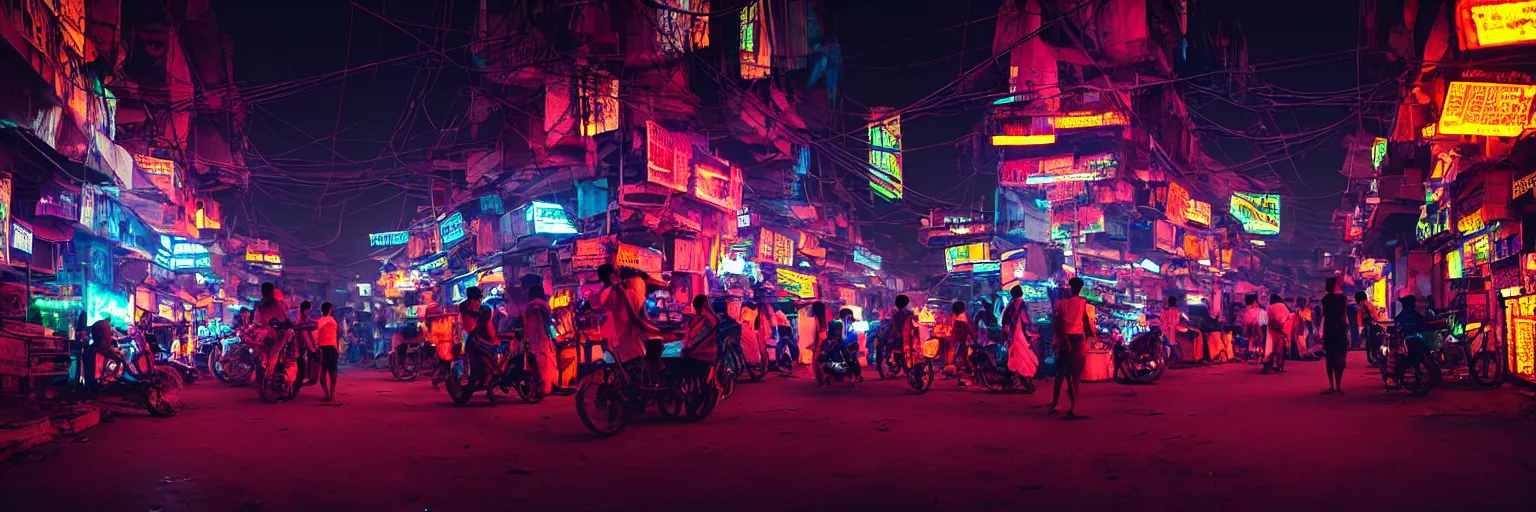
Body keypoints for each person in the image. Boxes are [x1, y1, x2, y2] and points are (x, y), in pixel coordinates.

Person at [1050, 277, 1092, 418]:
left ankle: (1055, 403)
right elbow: (1084, 321)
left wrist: (1062, 340)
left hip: (1066, 339)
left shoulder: (1062, 304)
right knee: (1075, 374)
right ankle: (1074, 406)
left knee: (1061, 373)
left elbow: (1058, 324)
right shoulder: (1082, 302)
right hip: (1077, 339)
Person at [459, 286, 498, 391]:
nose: (477, 302)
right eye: (474, 300)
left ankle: (483, 377)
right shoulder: (464, 307)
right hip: (474, 338)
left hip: (486, 339)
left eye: (477, 300)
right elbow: (465, 325)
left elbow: (486, 323)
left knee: (474, 351)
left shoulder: (485, 309)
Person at [1001, 285, 1039, 391]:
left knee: (1015, 357)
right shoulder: (1019, 302)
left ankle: (1008, 381)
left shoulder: (1012, 303)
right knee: (1020, 357)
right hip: (1017, 334)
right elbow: (1020, 318)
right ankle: (1014, 380)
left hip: (1013, 334)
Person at [523, 284, 558, 395]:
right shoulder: (535, 306)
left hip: (536, 337)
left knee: (537, 362)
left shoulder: (533, 306)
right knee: (541, 362)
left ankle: (540, 388)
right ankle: (543, 388)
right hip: (537, 337)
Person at [253, 282, 291, 374]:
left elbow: (256, 321)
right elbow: (284, 320)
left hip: (260, 334)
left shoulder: (259, 305)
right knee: (278, 352)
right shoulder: (276, 305)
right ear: (272, 292)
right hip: (272, 335)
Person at [1320, 278, 1349, 394]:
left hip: (1329, 329)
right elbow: (1344, 316)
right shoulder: (1342, 299)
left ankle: (1332, 386)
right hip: (1339, 330)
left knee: (1330, 358)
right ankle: (1338, 386)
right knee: (1339, 358)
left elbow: (1324, 315)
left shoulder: (1325, 299)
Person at [680, 294, 719, 379]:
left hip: (695, 354)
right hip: (704, 355)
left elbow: (688, 338)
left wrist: (685, 349)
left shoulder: (694, 320)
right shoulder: (709, 319)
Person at [948, 300, 979, 386]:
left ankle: (967, 379)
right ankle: (966, 378)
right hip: (961, 342)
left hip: (962, 342)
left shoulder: (960, 319)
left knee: (963, 361)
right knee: (962, 360)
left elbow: (965, 330)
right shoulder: (961, 317)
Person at [315, 302, 340, 402]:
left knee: (322, 373)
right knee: (333, 372)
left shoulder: (319, 322)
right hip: (331, 347)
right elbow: (335, 335)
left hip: (323, 348)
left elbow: (316, 336)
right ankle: (331, 394)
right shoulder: (333, 321)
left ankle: (327, 394)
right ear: (330, 309)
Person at [1264, 294, 1291, 374]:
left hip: (1271, 331)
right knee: (1279, 350)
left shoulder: (1269, 307)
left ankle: (1268, 365)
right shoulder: (1282, 306)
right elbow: (1287, 317)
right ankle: (1279, 366)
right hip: (1281, 330)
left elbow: (1267, 319)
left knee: (1271, 349)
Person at [1356, 291, 1385, 359]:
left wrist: (1360, 327)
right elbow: (1373, 313)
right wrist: (1378, 321)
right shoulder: (1367, 303)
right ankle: (1374, 357)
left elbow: (1361, 316)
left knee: (1370, 343)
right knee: (1374, 342)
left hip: (1369, 325)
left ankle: (1372, 357)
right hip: (1372, 325)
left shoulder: (1362, 304)